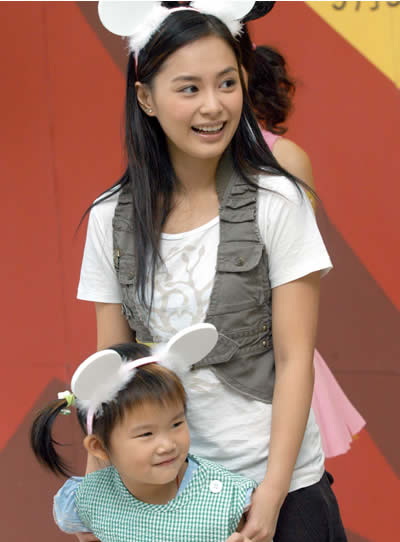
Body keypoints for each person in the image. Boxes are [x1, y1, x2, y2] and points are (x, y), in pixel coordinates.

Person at [65, 2, 347, 541]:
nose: (213, 106)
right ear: (146, 98)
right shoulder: (110, 217)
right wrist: (97, 492)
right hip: (163, 497)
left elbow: (295, 360)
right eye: (189, 88)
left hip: (276, 488)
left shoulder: (277, 200)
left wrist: (272, 494)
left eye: (226, 83)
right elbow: (113, 368)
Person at [237, 16, 366, 458]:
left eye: (225, 81)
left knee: (293, 475)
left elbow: (294, 266)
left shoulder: (285, 157)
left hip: (268, 348)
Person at [31, 338, 257, 542]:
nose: (167, 445)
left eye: (176, 424)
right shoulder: (89, 499)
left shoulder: (224, 498)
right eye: (146, 434)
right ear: (99, 447)